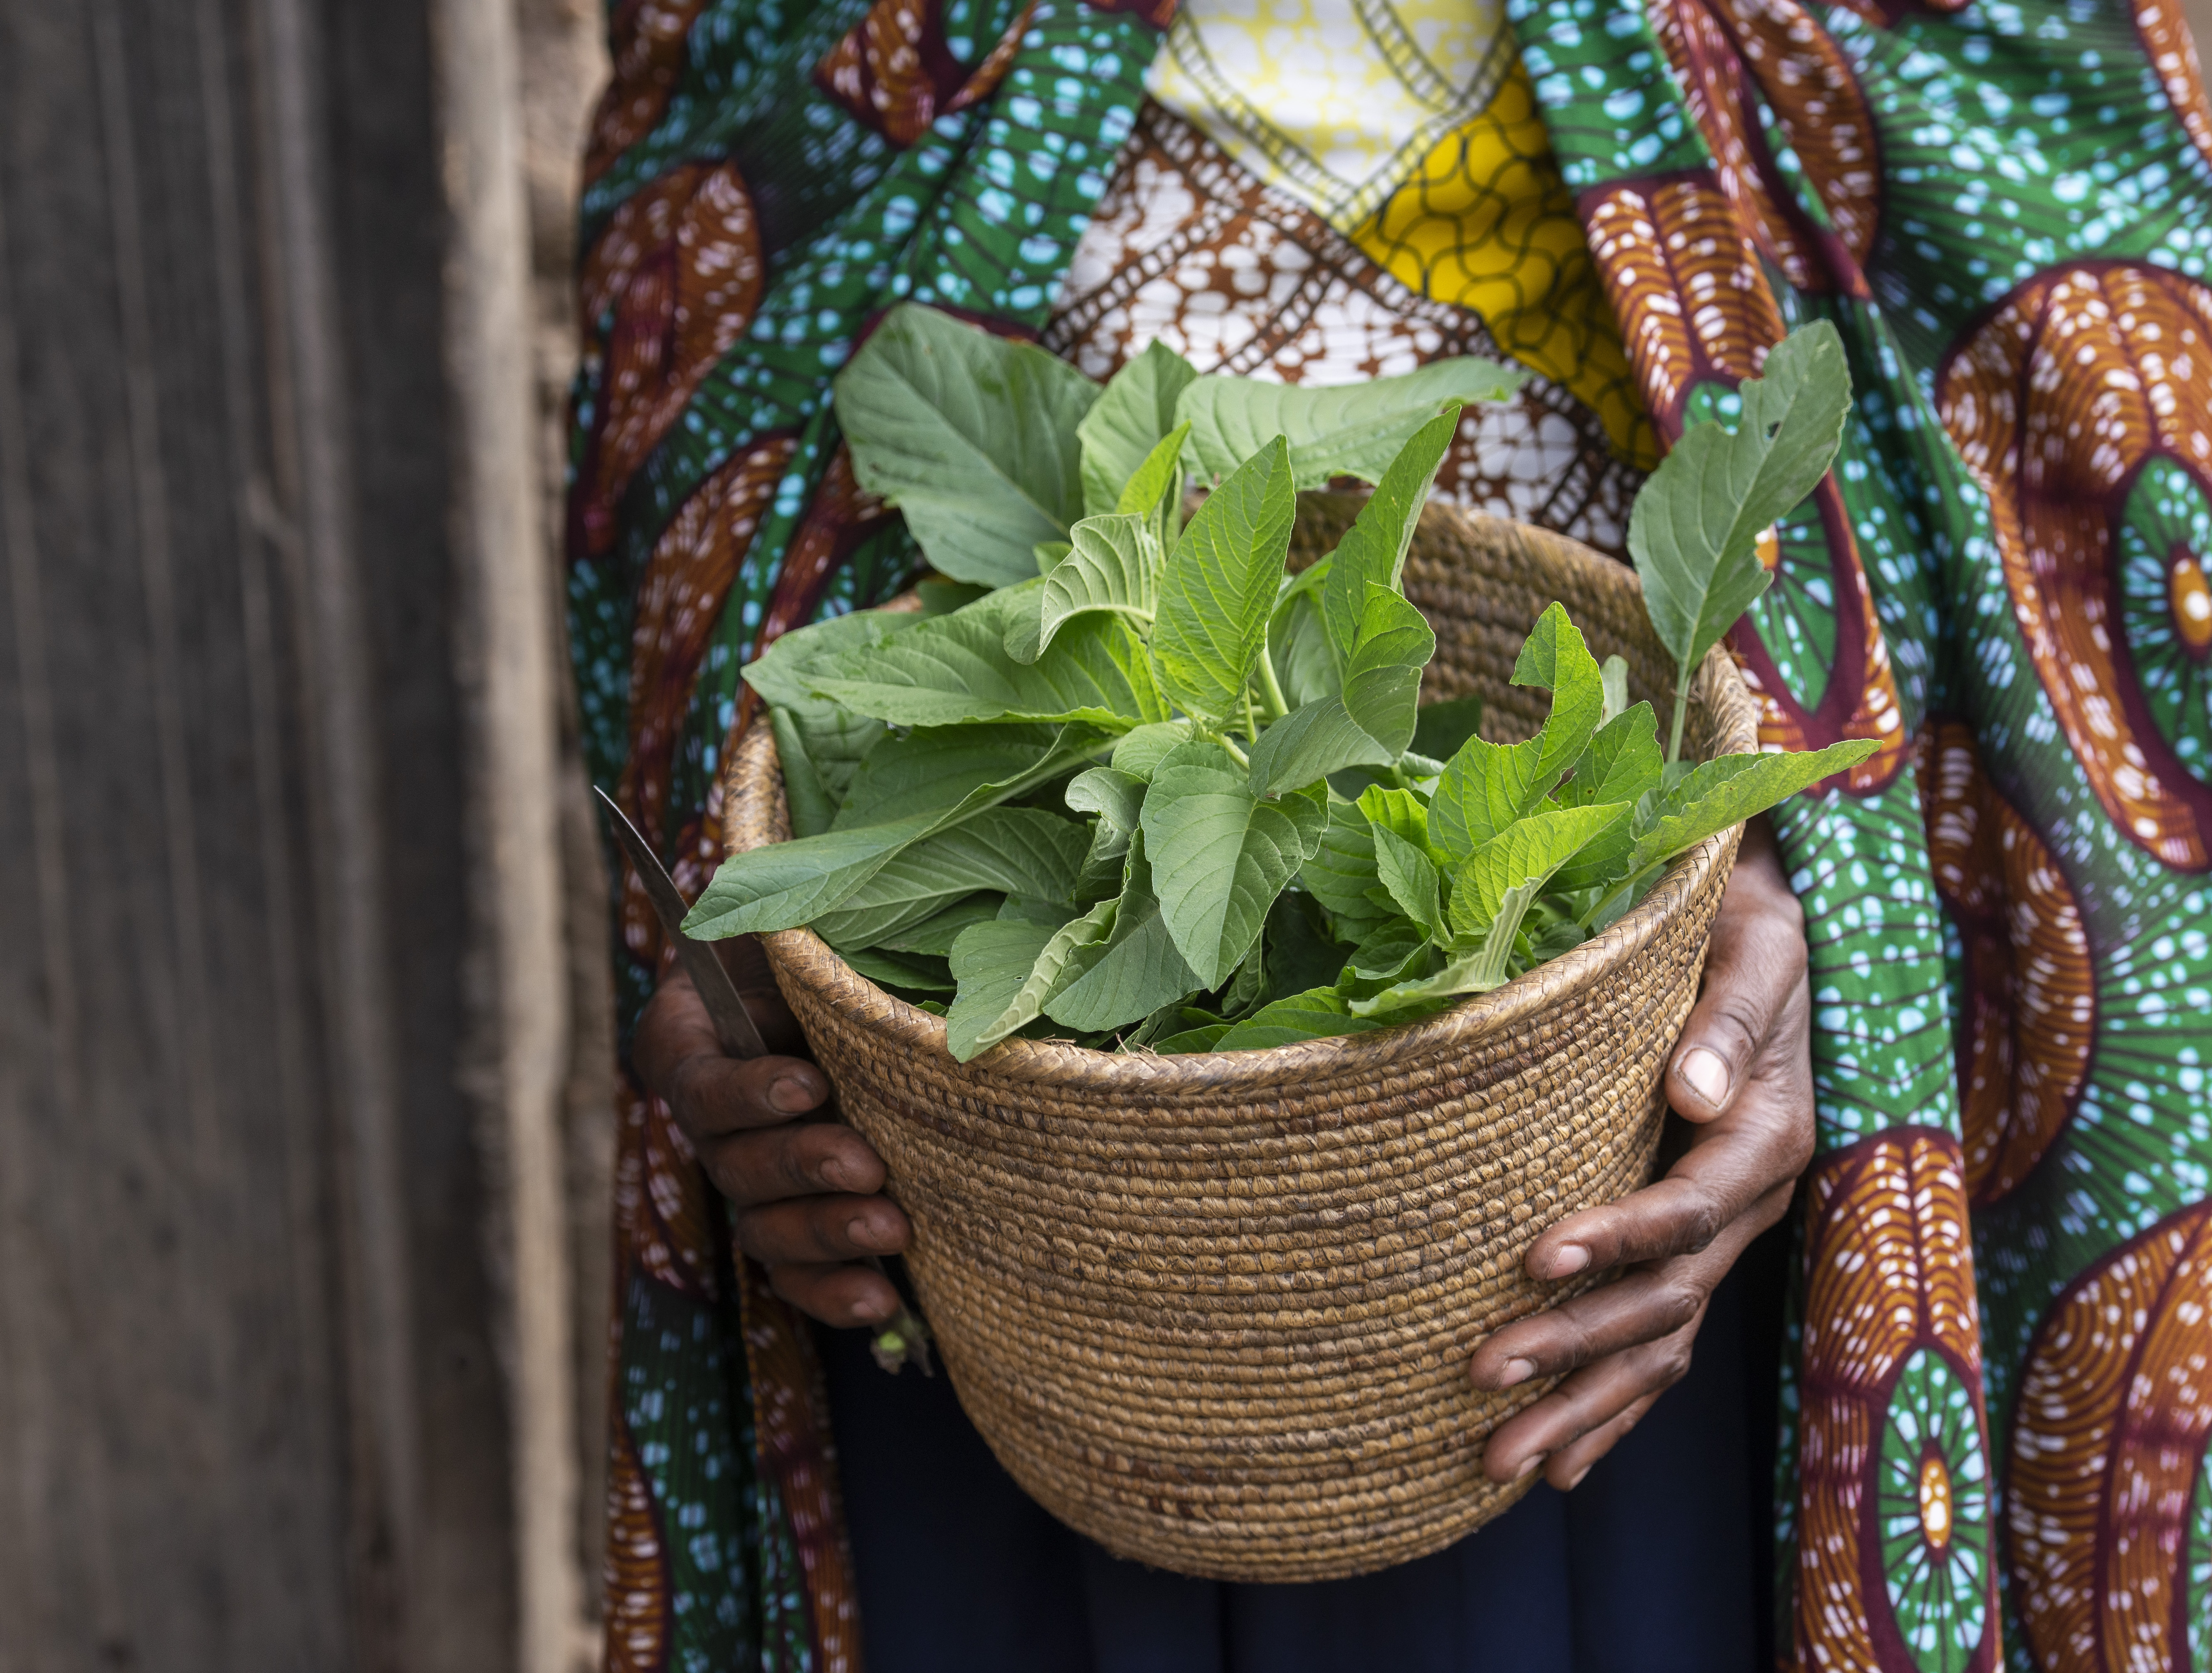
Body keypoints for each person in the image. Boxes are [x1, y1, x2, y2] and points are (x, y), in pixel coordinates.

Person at [572, 0, 2212, 1661]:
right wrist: (765, 944)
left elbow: (2036, 360)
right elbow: (724, 342)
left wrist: (1793, 871)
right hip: (971, 1204)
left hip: (1607, 1230)